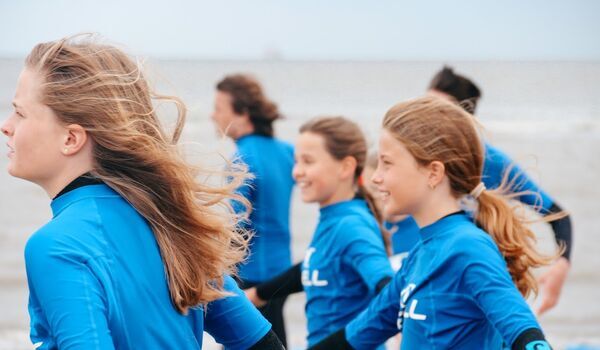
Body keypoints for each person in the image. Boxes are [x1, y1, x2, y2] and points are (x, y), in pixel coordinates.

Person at [1, 36, 283, 349]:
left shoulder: (56, 247)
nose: (6, 125)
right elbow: (265, 346)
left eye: (20, 113)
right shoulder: (173, 228)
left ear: (71, 139)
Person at [310, 97, 556, 349]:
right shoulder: (420, 255)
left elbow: (525, 333)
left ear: (434, 172)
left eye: (387, 163)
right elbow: (359, 333)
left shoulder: (469, 247)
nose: (375, 178)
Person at [427, 66, 573, 315]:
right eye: (424, 105)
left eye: (438, 108)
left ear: (464, 117)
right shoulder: (416, 159)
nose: (426, 115)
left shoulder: (490, 160)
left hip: (475, 291)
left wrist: (561, 265)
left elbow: (558, 214)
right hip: (427, 283)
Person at [245, 117, 393, 347]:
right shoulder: (335, 218)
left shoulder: (352, 226)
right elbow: (318, 264)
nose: (297, 172)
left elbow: (390, 293)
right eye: (296, 161)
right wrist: (258, 294)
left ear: (345, 167)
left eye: (308, 161)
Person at [212, 74, 295, 347]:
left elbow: (237, 224)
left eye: (219, 108)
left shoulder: (242, 157)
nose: (214, 116)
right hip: (281, 271)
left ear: (243, 112)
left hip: (251, 275)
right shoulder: (287, 151)